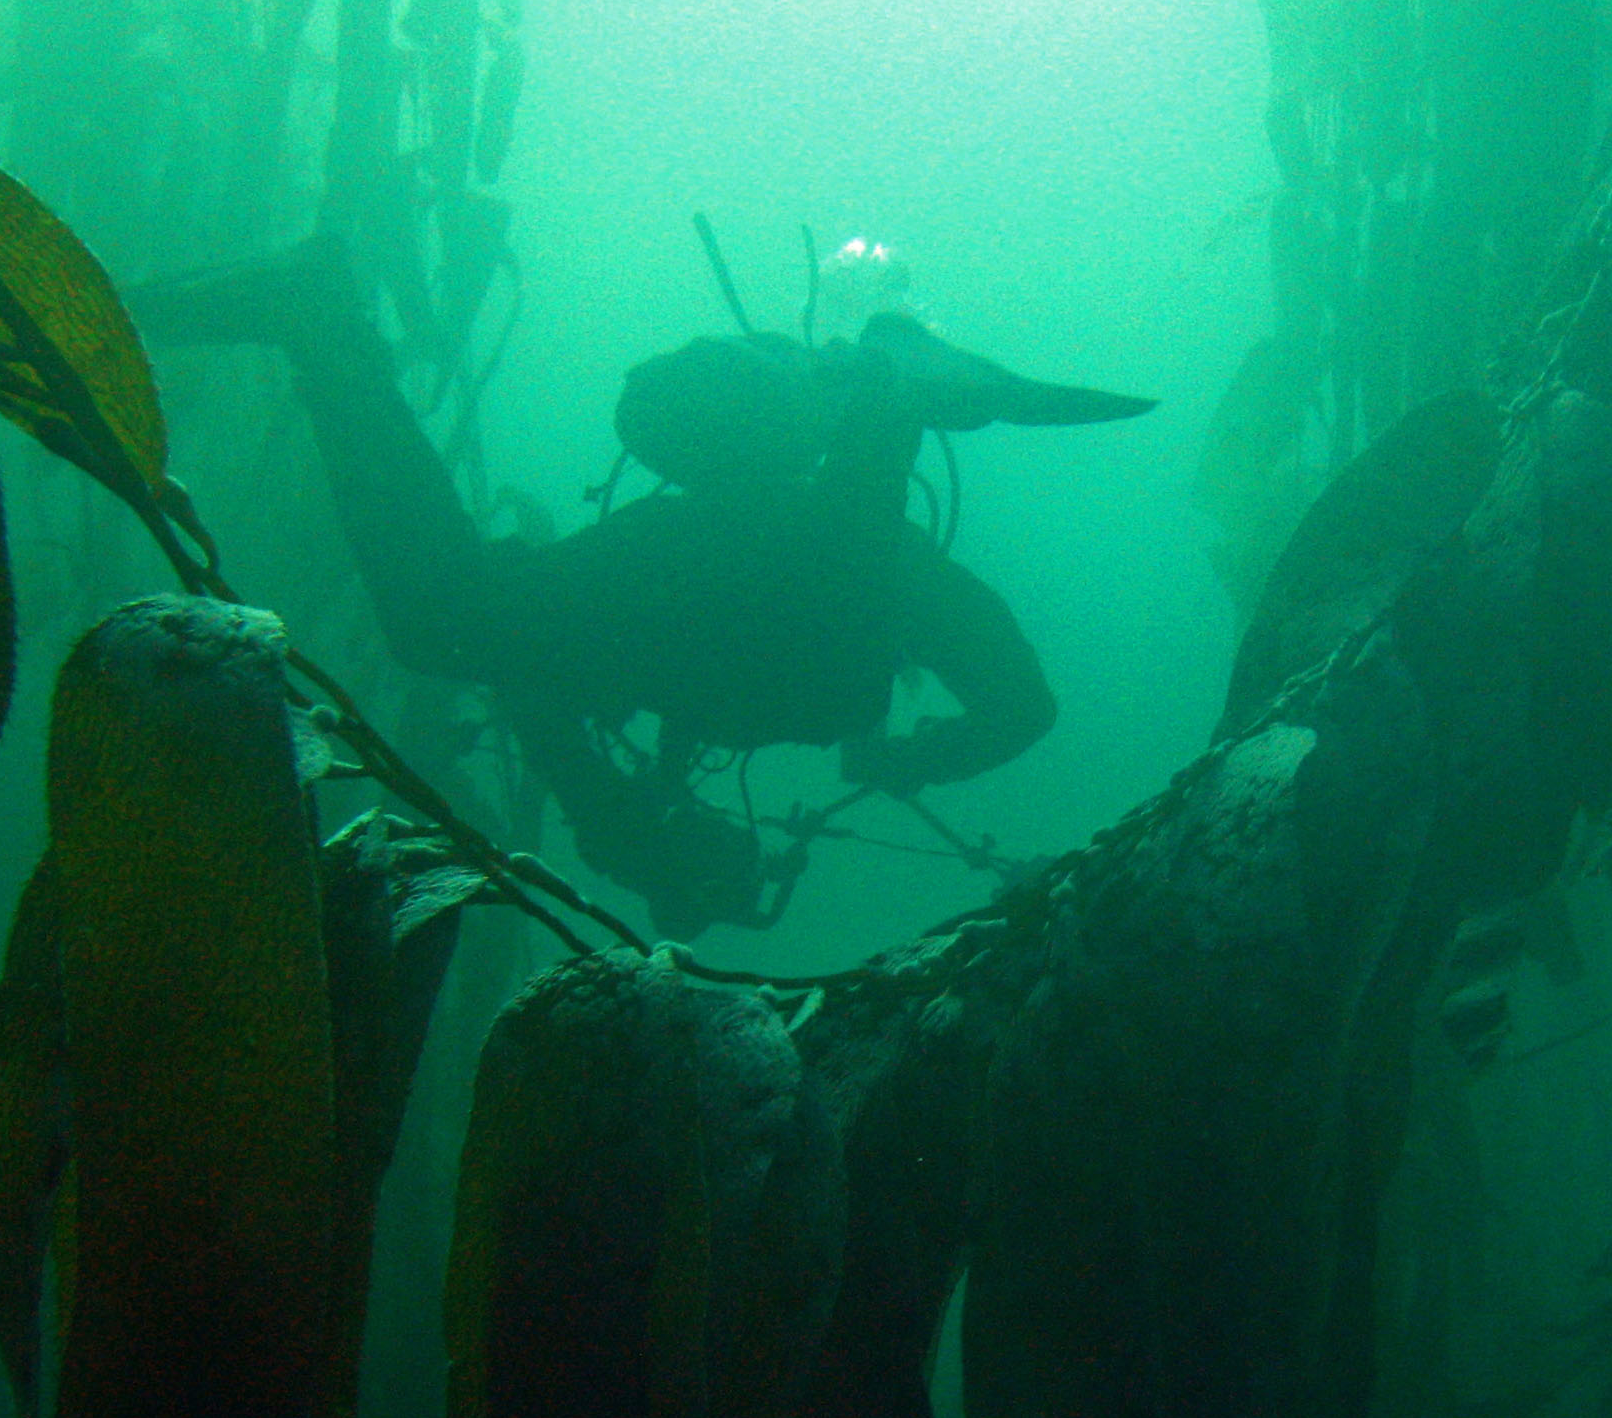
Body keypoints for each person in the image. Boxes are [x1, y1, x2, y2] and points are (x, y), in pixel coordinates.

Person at [137, 237, 1153, 937]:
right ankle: (323, 322)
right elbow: (1023, 704)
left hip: (679, 576)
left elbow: (542, 672)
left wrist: (612, 807)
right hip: (724, 586)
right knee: (827, 671)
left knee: (455, 622)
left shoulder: (838, 564)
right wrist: (903, 760)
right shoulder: (896, 575)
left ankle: (320, 324)